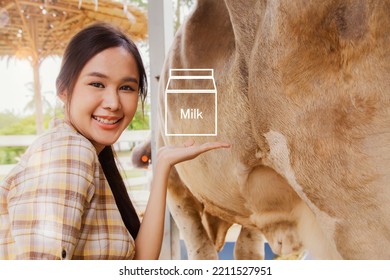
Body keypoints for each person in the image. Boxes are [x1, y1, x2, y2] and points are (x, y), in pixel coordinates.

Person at [0, 22, 230, 260]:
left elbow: (139, 263)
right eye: (97, 84)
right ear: (63, 89)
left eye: (126, 87)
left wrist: (162, 166)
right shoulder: (69, 150)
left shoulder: (94, 157)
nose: (113, 102)